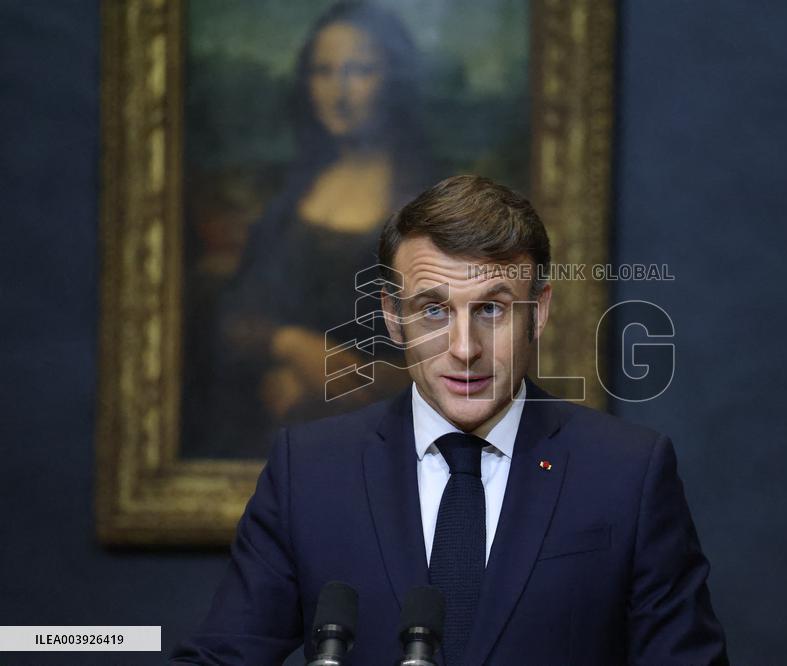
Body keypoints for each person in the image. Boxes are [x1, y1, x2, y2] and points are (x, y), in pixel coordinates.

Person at [171, 175, 728, 664]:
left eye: (491, 308)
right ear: (393, 317)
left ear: (538, 312)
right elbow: (222, 656)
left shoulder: (628, 472)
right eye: (434, 309)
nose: (464, 348)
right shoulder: (309, 472)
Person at [187, 1, 432, 458]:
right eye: (323, 71)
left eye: (360, 71)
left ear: (395, 82)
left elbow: (456, 349)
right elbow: (235, 315)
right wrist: (290, 345)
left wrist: (349, 383)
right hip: (266, 439)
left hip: (384, 442)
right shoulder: (290, 198)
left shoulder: (427, 204)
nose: (339, 92)